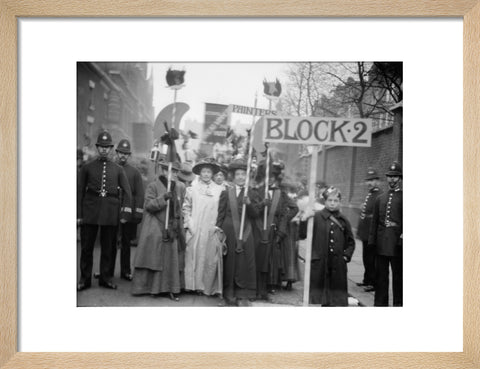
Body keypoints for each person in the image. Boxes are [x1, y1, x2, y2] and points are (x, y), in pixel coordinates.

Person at [77, 131, 132, 291]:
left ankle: (105, 278)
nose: (104, 150)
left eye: (107, 147)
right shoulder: (87, 168)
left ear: (111, 149)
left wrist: (124, 214)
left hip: (110, 213)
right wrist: (79, 215)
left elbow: (127, 192)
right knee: (86, 248)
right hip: (90, 212)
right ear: (97, 147)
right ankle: (84, 279)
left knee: (108, 248)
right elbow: (79, 192)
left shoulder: (118, 169)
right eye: (101, 147)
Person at [131, 159, 184, 301]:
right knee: (155, 258)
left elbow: (178, 208)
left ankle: (170, 288)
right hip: (156, 227)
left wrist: (177, 223)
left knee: (170, 259)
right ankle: (153, 288)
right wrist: (163, 198)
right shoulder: (153, 186)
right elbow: (148, 205)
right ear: (165, 171)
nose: (174, 174)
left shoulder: (177, 187)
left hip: (171, 228)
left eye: (176, 172)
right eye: (172, 171)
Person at [216, 158, 261, 306]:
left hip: (246, 233)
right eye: (238, 174)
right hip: (229, 232)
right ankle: (228, 296)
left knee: (244, 264)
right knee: (229, 264)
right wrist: (218, 230)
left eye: (243, 174)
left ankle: (243, 296)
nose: (241, 177)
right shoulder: (226, 192)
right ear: (233, 177)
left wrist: (249, 205)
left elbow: (255, 215)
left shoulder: (252, 193)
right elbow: (220, 213)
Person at [299, 187, 355, 306]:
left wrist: (345, 256)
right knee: (321, 298)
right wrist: (304, 219)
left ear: (339, 202)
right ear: (325, 201)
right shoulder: (316, 217)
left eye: (335, 200)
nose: (332, 203)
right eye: (330, 200)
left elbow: (351, 242)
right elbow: (302, 234)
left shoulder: (343, 220)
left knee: (336, 300)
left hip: (337, 265)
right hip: (321, 263)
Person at [182, 158, 224, 296]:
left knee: (209, 257)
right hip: (196, 226)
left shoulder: (219, 190)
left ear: (212, 174)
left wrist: (218, 227)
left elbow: (222, 209)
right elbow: (186, 208)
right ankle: (191, 285)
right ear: (199, 173)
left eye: (209, 171)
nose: (206, 174)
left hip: (211, 227)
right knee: (193, 255)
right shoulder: (192, 189)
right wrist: (189, 223)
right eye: (204, 171)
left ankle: (206, 287)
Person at [252, 160, 289, 299]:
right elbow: (253, 211)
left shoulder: (280, 194)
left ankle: (267, 288)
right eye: (268, 176)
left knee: (270, 261)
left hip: (273, 231)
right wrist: (262, 205)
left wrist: (281, 232)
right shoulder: (256, 192)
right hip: (258, 230)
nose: (270, 179)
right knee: (258, 260)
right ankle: (256, 288)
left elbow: (285, 214)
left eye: (273, 176)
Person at [109, 139, 145, 281]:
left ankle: (125, 271)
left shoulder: (134, 172)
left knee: (125, 244)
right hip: (111, 213)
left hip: (128, 214)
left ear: (129, 155)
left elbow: (139, 194)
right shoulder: (110, 168)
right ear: (116, 153)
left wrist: (136, 215)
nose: (123, 156)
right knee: (110, 243)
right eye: (120, 153)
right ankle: (107, 272)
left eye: (126, 153)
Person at [368, 162, 403, 307]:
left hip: (397, 244)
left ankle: (399, 304)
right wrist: (372, 241)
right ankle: (380, 304)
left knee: (398, 277)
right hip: (381, 244)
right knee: (381, 277)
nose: (392, 180)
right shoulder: (380, 198)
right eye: (390, 177)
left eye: (395, 177)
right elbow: (374, 222)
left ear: (400, 178)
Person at [356, 168, 383, 292]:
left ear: (377, 181)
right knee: (366, 257)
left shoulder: (379, 194)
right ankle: (366, 279)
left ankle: (373, 282)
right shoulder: (371, 194)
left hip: (372, 233)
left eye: (372, 180)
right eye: (368, 180)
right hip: (366, 232)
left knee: (371, 259)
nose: (370, 183)